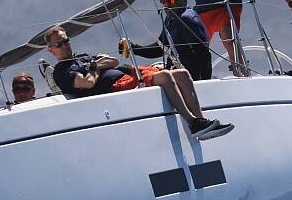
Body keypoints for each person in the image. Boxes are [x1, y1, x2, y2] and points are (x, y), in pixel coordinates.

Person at [44, 25, 233, 140]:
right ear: (51, 50)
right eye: (59, 44)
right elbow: (88, 83)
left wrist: (95, 65)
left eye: (66, 41)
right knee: (166, 77)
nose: (65, 45)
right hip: (115, 87)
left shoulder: (83, 57)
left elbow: (113, 60)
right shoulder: (62, 71)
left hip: (127, 72)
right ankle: (192, 123)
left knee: (182, 74)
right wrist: (96, 66)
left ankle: (202, 120)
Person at [118, 0, 212, 82]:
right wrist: (133, 48)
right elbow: (160, 48)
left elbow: (204, 55)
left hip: (189, 80)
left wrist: (204, 84)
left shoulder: (187, 19)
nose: (166, 4)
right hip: (175, 74)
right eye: (163, 0)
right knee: (124, 69)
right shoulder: (170, 18)